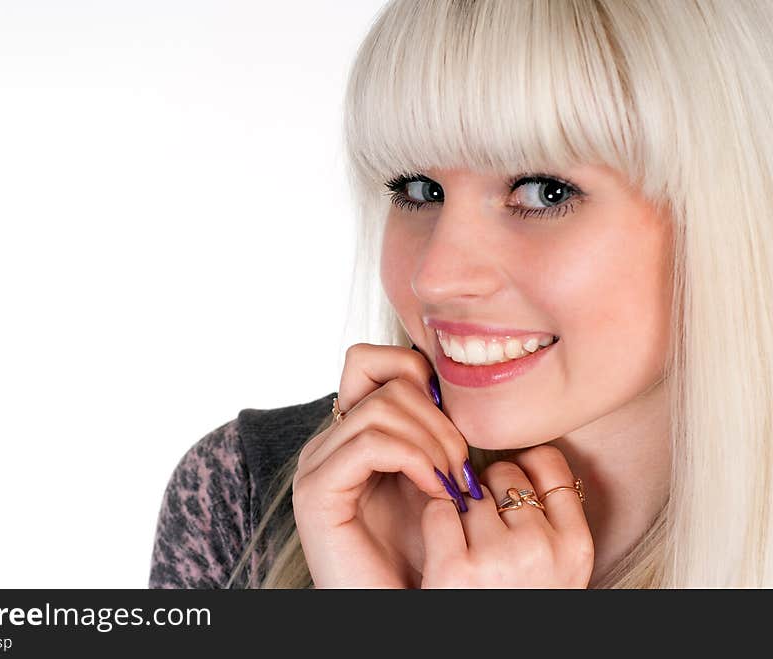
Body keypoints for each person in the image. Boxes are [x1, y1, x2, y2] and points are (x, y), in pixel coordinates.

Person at [149, 0, 773, 588]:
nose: (435, 276)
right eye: (419, 189)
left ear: (728, 212)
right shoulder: (246, 495)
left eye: (544, 191)